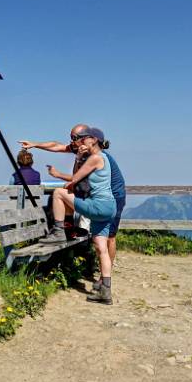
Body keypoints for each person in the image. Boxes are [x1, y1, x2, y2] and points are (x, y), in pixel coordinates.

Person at [19, 125, 126, 295]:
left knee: (110, 238)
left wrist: (60, 174)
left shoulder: (94, 155)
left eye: (75, 138)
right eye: (71, 137)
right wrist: (35, 144)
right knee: (99, 242)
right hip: (98, 198)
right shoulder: (84, 149)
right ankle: (68, 231)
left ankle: (103, 278)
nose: (72, 141)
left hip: (114, 196)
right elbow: (57, 146)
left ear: (87, 138)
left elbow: (76, 178)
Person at [37, 129, 117, 305]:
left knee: (58, 193)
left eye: (83, 138)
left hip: (98, 205)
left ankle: (58, 231)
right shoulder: (104, 158)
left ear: (93, 140)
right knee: (100, 247)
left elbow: (74, 179)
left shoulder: (95, 158)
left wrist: (78, 159)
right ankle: (105, 290)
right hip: (109, 207)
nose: (80, 142)